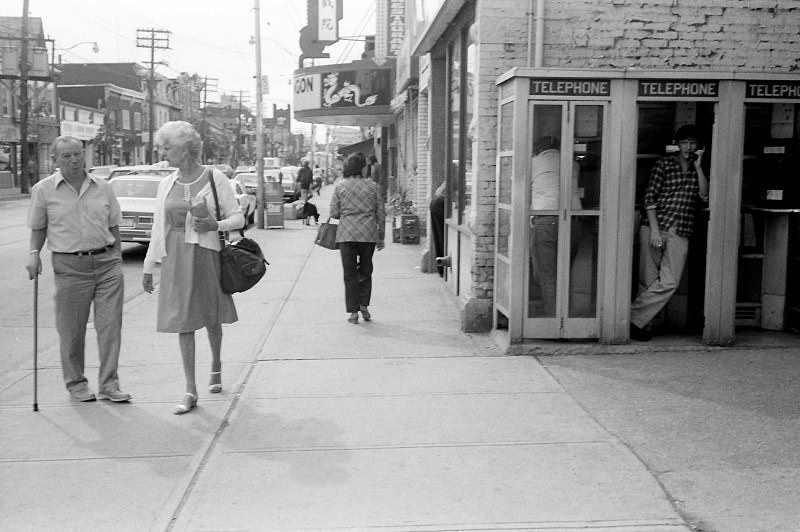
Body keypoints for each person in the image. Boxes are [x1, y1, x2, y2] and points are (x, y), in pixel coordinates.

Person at [142, 121, 244, 414]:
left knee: (211, 315)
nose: (163, 152)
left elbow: (237, 218)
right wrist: (149, 266)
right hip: (175, 257)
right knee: (182, 321)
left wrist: (216, 224)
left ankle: (216, 364)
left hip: (206, 253)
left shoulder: (216, 178)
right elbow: (157, 228)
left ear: (186, 148)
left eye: (167, 147)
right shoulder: (166, 184)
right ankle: (190, 389)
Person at [25, 136, 130, 403]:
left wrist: (117, 258)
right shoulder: (44, 190)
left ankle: (109, 384)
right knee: (72, 330)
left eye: (77, 154)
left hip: (107, 264)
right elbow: (38, 229)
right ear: (55, 160)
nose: (74, 160)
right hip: (69, 266)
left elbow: (114, 226)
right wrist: (34, 255)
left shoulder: (103, 187)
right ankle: (76, 383)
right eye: (66, 156)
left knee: (110, 327)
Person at [630, 124, 708, 341]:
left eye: (693, 143)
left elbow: (704, 196)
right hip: (655, 226)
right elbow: (649, 198)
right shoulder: (663, 165)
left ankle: (631, 316)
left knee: (669, 281)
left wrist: (699, 167)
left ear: (698, 147)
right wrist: (654, 230)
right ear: (677, 145)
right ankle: (644, 326)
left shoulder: (697, 170)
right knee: (647, 279)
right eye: (685, 142)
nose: (689, 147)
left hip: (680, 229)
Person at [329, 152, 386, 324]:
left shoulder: (340, 187)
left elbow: (334, 213)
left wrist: (349, 215)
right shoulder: (373, 186)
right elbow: (381, 213)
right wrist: (381, 236)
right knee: (366, 271)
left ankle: (353, 312)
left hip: (346, 234)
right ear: (363, 167)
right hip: (368, 234)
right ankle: (364, 306)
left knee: (349, 273)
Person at [528, 136, 582, 317]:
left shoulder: (533, 163)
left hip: (545, 220)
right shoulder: (574, 164)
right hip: (574, 220)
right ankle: (566, 317)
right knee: (564, 273)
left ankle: (553, 321)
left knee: (548, 277)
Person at [429, 181, 446, 276]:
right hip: (440, 205)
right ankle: (442, 269)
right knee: (442, 238)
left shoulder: (453, 172)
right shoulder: (455, 174)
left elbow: (437, 192)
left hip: (436, 203)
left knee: (438, 238)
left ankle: (441, 269)